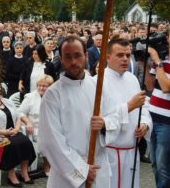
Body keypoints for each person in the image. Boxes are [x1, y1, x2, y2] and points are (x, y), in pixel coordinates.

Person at [38, 35, 124, 188]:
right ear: (61, 59)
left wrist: (104, 124)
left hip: (99, 168)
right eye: (68, 57)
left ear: (86, 55)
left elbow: (115, 115)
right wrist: (82, 170)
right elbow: (50, 142)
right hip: (68, 174)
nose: (73, 62)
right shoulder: (53, 95)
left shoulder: (98, 86)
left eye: (77, 55)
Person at [103, 38, 152, 188]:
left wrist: (145, 124)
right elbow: (101, 120)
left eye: (127, 55)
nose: (125, 59)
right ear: (108, 57)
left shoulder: (132, 79)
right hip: (109, 153)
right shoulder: (97, 83)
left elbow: (143, 107)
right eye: (119, 55)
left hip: (131, 152)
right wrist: (129, 106)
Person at [146, 22, 170, 188]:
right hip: (152, 118)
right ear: (167, 39)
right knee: (154, 164)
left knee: (163, 167)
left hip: (169, 123)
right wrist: (146, 62)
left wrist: (157, 62)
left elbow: (167, 86)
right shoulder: (161, 60)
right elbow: (149, 86)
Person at [0, 92, 36, 188]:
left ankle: (24, 172)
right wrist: (5, 132)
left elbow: (18, 116)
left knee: (26, 142)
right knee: (11, 145)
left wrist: (16, 129)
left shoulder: (8, 102)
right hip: (0, 135)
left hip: (14, 132)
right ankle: (11, 175)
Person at [18, 75, 54, 174]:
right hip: (35, 129)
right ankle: (47, 166)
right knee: (48, 140)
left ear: (50, 86)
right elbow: (20, 112)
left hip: (50, 128)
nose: (41, 88)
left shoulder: (53, 97)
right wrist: (28, 122)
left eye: (44, 86)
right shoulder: (30, 97)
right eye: (39, 85)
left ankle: (52, 166)